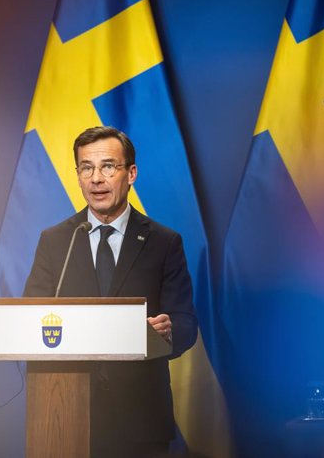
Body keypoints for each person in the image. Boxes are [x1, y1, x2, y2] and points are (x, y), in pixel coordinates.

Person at [23, 126, 198, 457]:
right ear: (77, 176)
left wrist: (166, 332)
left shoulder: (164, 242)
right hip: (63, 413)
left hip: (140, 419)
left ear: (131, 173)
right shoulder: (56, 241)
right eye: (86, 168)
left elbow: (186, 324)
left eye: (108, 166)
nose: (96, 179)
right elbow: (31, 319)